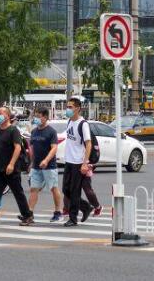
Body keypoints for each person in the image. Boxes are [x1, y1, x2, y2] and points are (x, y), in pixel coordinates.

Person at [27, 107, 63, 222]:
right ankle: (30, 213)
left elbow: (54, 148)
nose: (36, 119)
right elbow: (32, 148)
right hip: (36, 166)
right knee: (34, 189)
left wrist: (46, 160)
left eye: (38, 116)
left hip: (49, 166)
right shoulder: (34, 131)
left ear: (45, 117)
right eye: (35, 116)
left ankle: (58, 212)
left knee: (53, 188)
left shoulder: (51, 132)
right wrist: (31, 163)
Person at [62, 97, 94, 227]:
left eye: (70, 107)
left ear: (77, 108)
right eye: (67, 107)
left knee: (75, 191)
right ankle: (86, 207)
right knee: (66, 190)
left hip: (78, 162)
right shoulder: (69, 121)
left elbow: (88, 144)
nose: (68, 109)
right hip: (68, 161)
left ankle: (73, 218)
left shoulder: (83, 124)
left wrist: (85, 163)